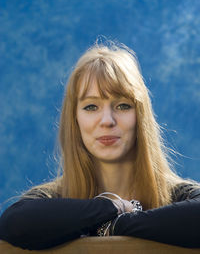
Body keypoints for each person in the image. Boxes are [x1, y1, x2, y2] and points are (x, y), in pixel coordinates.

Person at [0, 40, 200, 250]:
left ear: (141, 117)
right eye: (91, 106)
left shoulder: (178, 194)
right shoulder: (48, 197)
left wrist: (119, 225)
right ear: (74, 120)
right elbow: (14, 224)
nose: (107, 120)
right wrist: (112, 207)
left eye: (123, 106)